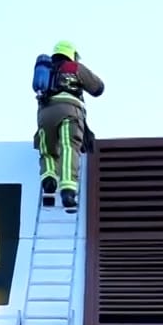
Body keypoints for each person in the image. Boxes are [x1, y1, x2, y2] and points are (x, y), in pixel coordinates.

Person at [33, 40, 104, 210]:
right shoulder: (73, 68)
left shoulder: (46, 70)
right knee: (68, 147)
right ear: (71, 54)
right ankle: (68, 191)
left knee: (47, 150)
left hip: (44, 114)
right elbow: (98, 88)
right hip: (69, 111)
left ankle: (49, 180)